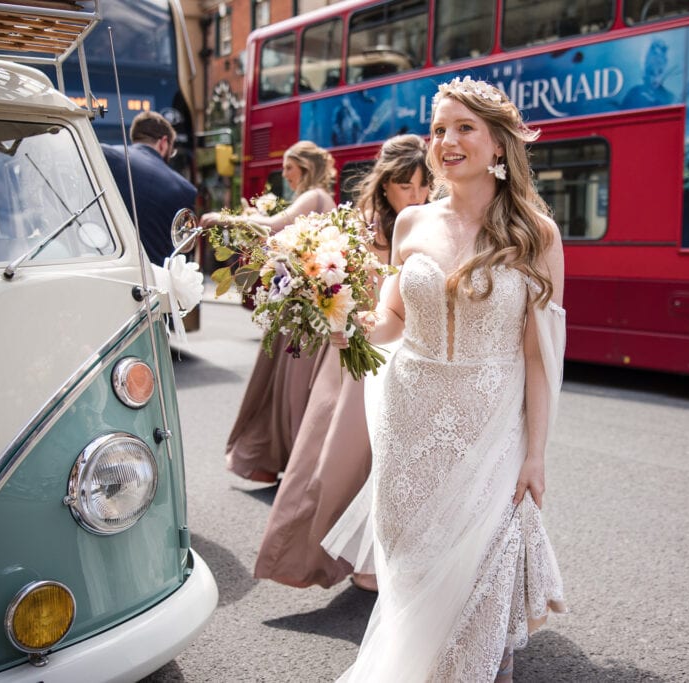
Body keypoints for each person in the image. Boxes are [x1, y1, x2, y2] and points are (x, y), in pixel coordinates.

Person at [325, 76, 567, 682]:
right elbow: (391, 320)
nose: (447, 141)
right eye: (439, 130)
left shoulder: (537, 235)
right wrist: (342, 322)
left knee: (479, 571)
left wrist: (535, 455)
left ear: (498, 146)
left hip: (490, 424)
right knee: (412, 566)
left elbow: (540, 357)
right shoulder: (409, 224)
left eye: (464, 128)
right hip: (410, 420)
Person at [253, 134, 430, 591]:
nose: (417, 196)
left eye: (423, 185)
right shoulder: (358, 226)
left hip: (410, 350)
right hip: (361, 351)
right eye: (406, 186)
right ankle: (341, 558)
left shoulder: (430, 224)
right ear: (386, 183)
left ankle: (380, 557)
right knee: (340, 458)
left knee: (398, 460)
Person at [200, 141, 337, 483]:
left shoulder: (315, 196)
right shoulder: (315, 198)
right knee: (277, 386)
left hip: (302, 310)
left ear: (304, 168)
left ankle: (292, 463)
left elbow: (275, 225)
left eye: (289, 168)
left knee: (288, 389)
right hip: (295, 304)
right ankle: (271, 457)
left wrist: (223, 217)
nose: (285, 175)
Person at [102, 111, 197, 266]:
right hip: (154, 280)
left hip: (106, 268)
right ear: (164, 143)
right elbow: (182, 251)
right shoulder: (186, 190)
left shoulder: (106, 155)